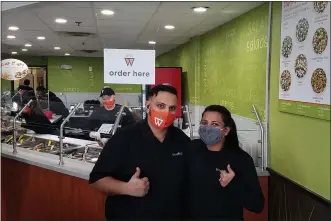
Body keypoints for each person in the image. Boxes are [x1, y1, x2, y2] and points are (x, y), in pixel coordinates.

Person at [89, 84, 191, 220]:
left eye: (171, 108)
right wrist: (126, 188)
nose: (166, 112)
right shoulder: (124, 138)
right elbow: (97, 180)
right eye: (160, 106)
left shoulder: (181, 139)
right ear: (148, 105)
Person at [184, 105, 264, 220]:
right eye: (204, 122)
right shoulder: (192, 149)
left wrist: (232, 184)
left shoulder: (240, 159)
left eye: (215, 124)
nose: (208, 127)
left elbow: (257, 205)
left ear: (226, 130)